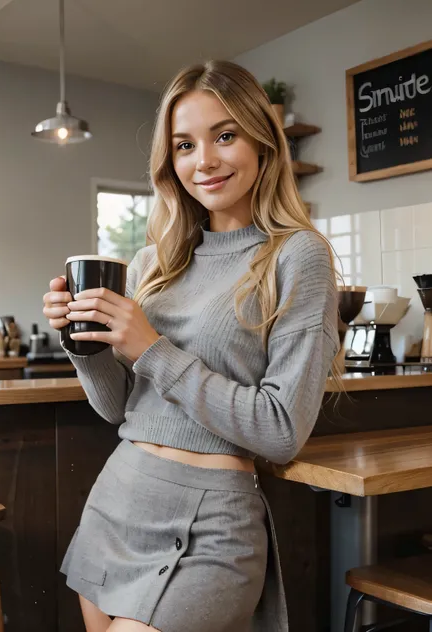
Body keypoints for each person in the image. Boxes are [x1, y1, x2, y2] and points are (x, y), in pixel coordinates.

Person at [43, 59, 340, 632]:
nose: (203, 161)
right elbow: (118, 408)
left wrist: (151, 347)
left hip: (210, 523)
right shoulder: (154, 262)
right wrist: (86, 345)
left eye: (224, 136)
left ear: (262, 142)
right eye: (183, 145)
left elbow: (282, 431)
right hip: (120, 498)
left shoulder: (297, 255)